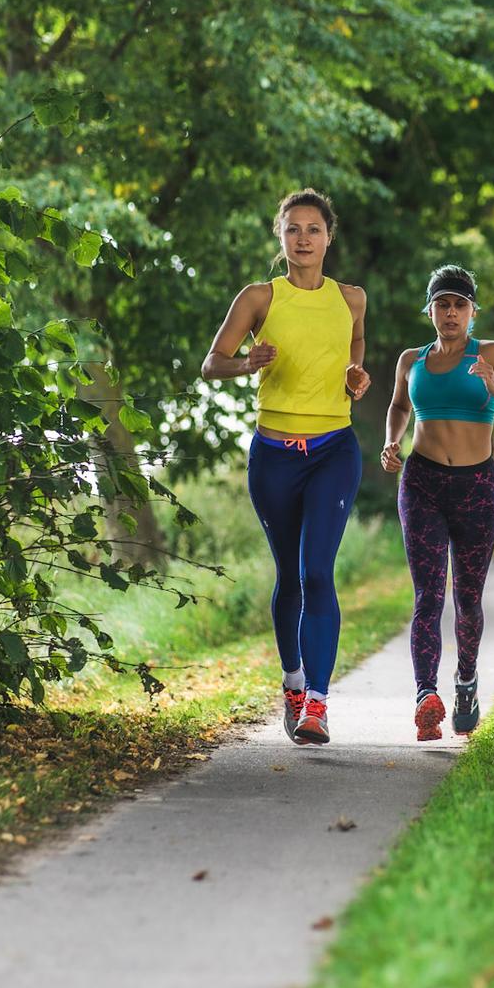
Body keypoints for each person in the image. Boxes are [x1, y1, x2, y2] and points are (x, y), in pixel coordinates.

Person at [201, 189, 369, 747]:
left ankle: (318, 703)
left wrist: (356, 377)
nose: (303, 238)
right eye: (293, 229)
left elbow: (354, 355)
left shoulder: (351, 299)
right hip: (274, 455)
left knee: (317, 571)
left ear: (329, 236)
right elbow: (211, 364)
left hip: (333, 450)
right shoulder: (257, 297)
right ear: (281, 236)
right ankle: (293, 681)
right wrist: (247, 362)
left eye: (313, 229)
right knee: (289, 577)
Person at [381, 265, 494, 741]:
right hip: (422, 482)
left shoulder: (491, 354)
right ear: (430, 310)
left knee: (467, 599)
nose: (451, 313)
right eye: (442, 304)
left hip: (476, 486)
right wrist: (393, 441)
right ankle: (425, 695)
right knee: (428, 595)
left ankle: (465, 683)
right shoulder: (412, 359)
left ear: (473, 311)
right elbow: (398, 407)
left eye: (460, 304)